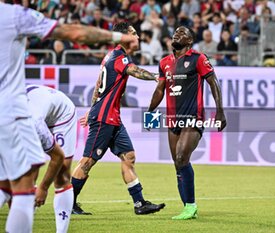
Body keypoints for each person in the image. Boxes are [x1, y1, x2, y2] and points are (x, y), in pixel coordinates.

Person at [0, 2, 137, 232]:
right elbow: (74, 32)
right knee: (27, 185)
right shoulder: (14, 15)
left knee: (8, 183)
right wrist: (43, 187)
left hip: (39, 108)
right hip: (16, 111)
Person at [71, 22, 166, 216]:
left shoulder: (111, 56)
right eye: (134, 34)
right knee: (88, 161)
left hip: (112, 118)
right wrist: (156, 77)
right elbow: (134, 70)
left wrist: (91, 109)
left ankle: (140, 203)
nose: (138, 37)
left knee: (128, 156)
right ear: (124, 37)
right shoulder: (118, 57)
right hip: (105, 118)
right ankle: (68, 202)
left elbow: (98, 85)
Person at [147, 26, 227, 220]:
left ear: (189, 41)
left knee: (182, 156)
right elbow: (160, 89)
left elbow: (213, 82)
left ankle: (190, 206)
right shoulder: (165, 62)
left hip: (193, 116)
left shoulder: (198, 58)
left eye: (182, 33)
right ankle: (188, 207)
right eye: (175, 32)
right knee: (177, 162)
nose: (177, 34)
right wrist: (150, 112)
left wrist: (220, 111)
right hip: (172, 118)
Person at [27, 84, 77, 233]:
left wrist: (43, 187)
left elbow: (57, 157)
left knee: (61, 175)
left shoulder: (34, 125)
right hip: (38, 106)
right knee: (25, 177)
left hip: (61, 116)